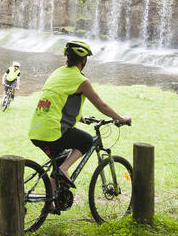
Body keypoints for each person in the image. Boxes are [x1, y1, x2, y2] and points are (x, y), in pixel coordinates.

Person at [28, 40, 130, 192]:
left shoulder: (57, 73)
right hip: (54, 131)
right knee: (86, 141)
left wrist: (80, 117)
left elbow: (59, 99)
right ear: (84, 60)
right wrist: (121, 119)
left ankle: (50, 203)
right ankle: (63, 169)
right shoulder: (81, 80)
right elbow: (101, 105)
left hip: (37, 131)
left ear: (67, 58)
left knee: (61, 160)